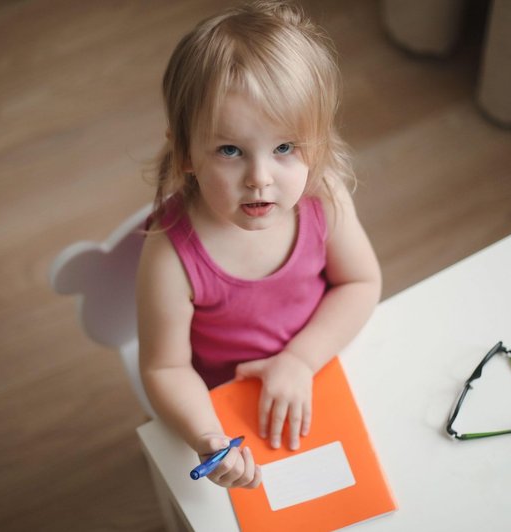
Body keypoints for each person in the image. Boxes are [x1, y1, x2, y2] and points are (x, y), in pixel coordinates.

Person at [136, 0, 381, 490]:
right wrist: (209, 437)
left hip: (320, 361)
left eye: (285, 147)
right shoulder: (170, 257)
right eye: (230, 150)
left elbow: (360, 282)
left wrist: (299, 360)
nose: (260, 179)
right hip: (227, 406)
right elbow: (164, 366)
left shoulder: (322, 199)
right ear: (185, 151)